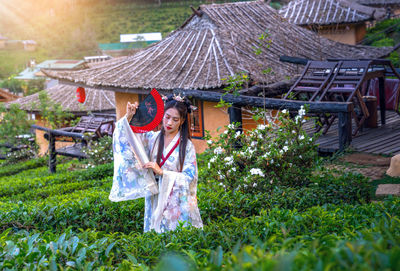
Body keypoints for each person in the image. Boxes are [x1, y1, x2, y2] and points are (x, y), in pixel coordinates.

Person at [109, 94, 203, 233]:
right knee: (155, 240)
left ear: (182, 121)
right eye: (167, 117)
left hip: (175, 201)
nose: (169, 123)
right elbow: (128, 138)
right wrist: (129, 117)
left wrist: (163, 173)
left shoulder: (187, 146)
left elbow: (190, 176)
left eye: (175, 119)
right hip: (155, 196)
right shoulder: (151, 138)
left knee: (175, 238)